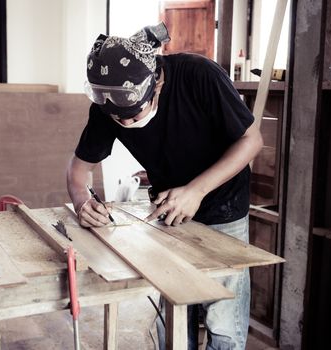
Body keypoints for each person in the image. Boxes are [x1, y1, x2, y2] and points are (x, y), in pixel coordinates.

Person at [66, 22, 263, 350]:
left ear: (156, 82)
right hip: (169, 211)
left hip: (223, 205)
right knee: (173, 310)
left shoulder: (199, 75)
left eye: (132, 114)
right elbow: (77, 171)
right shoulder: (108, 103)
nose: (126, 123)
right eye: (118, 119)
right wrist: (82, 201)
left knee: (223, 317)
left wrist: (196, 191)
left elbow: (252, 140)